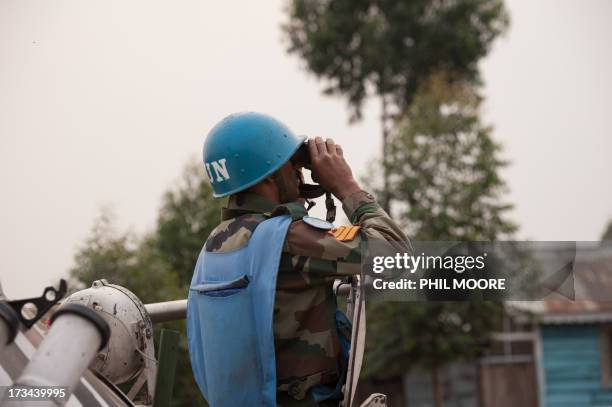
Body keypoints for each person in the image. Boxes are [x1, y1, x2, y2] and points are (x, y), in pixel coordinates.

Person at [187, 112, 410, 407]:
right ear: (268, 176)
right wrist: (346, 187)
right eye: (291, 164)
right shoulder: (288, 239)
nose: (298, 172)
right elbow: (395, 254)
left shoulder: (214, 246)